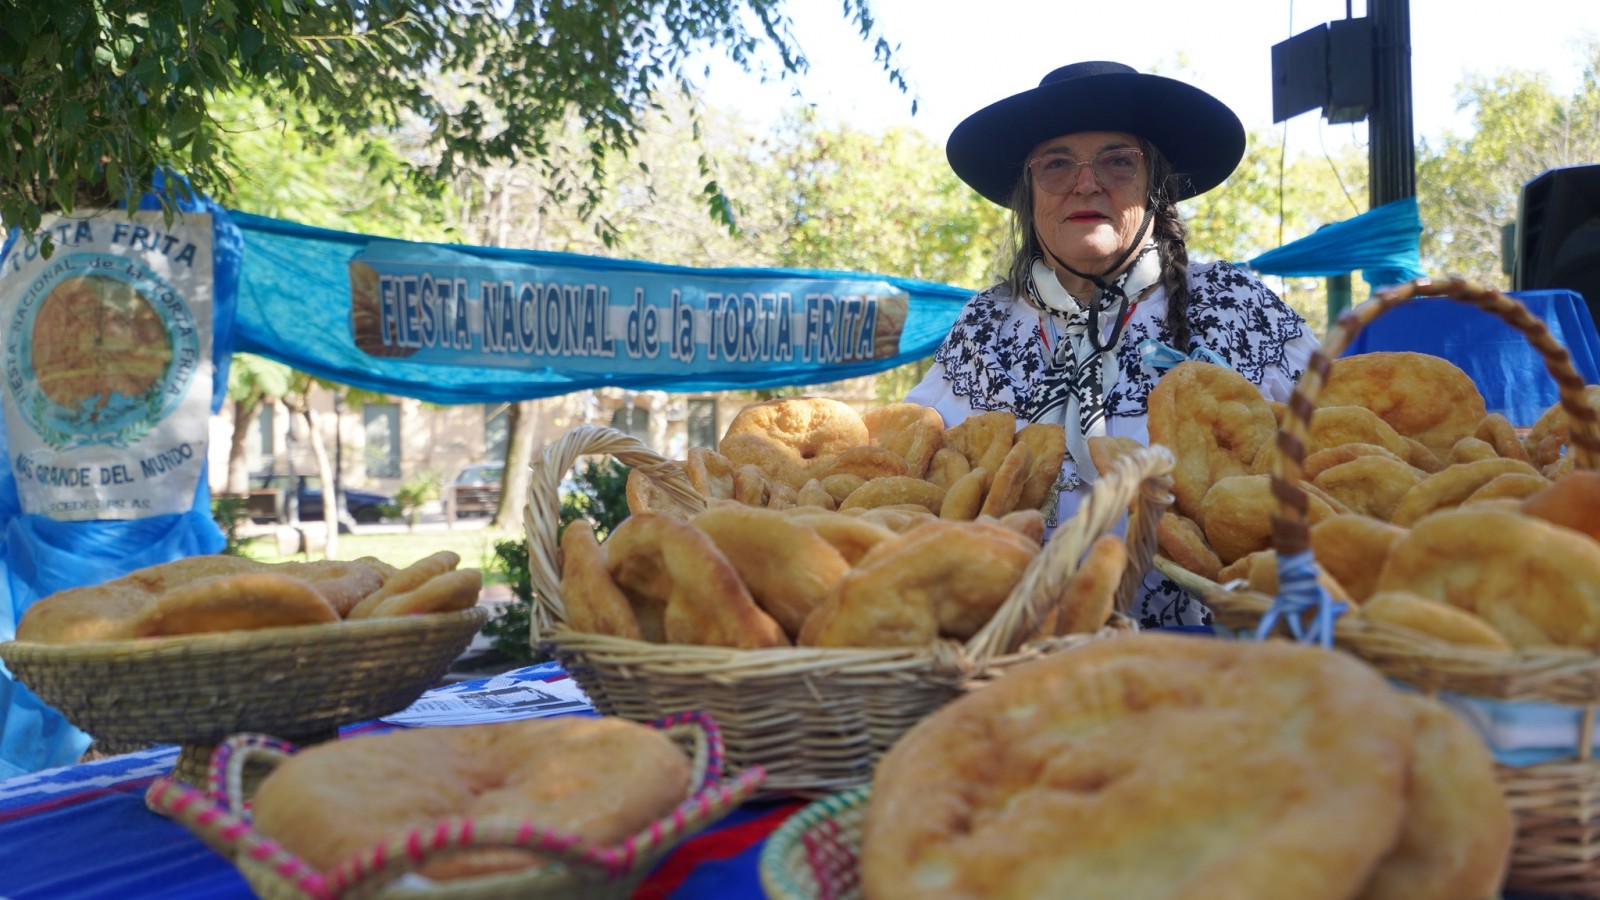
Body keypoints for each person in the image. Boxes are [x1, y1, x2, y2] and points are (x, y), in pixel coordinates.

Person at [905, 60, 1320, 628]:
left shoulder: (1234, 306)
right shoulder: (987, 325)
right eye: (1056, 164)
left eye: (1117, 160)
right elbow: (915, 465)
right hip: (1012, 658)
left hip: (1209, 664)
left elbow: (1334, 458)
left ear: (1156, 185)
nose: (1086, 182)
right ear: (1029, 193)